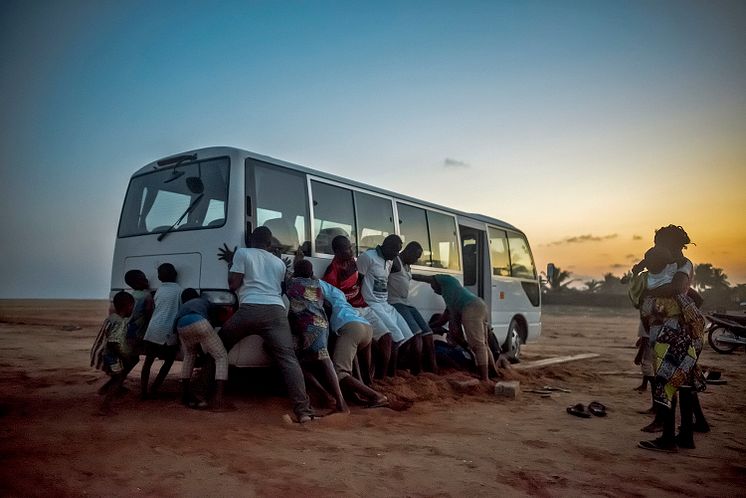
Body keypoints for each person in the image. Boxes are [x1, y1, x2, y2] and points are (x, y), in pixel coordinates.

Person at [217, 226, 315, 423]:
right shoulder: (278, 262)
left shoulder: (242, 253)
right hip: (276, 312)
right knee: (288, 359)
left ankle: (202, 396)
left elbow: (233, 284)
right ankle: (304, 412)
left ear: (250, 240)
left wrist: (231, 263)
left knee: (217, 347)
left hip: (249, 309)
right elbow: (279, 287)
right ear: (270, 244)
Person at [638, 225, 710, 453]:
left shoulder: (682, 266)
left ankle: (668, 438)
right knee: (684, 384)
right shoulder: (671, 266)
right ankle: (686, 435)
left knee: (666, 382)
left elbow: (677, 288)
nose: (656, 247)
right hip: (677, 331)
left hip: (676, 332)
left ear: (671, 245)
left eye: (659, 243)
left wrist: (648, 291)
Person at [322, 235, 398, 380]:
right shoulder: (332, 271)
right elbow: (331, 299)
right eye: (347, 249)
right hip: (350, 311)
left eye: (351, 247)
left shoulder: (352, 262)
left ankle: (382, 379)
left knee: (386, 337)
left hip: (364, 306)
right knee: (365, 342)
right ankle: (366, 380)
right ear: (337, 252)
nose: (351, 252)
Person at [286, 259, 348, 413]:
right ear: (312, 273)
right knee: (320, 361)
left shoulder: (293, 285)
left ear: (295, 271)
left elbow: (284, 279)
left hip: (308, 331)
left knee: (300, 362)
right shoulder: (317, 285)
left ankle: (334, 399)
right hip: (321, 327)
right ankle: (335, 399)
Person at [318, 278, 388, 407]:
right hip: (365, 326)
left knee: (339, 373)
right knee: (352, 361)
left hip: (350, 327)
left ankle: (376, 396)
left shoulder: (316, 286)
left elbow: (326, 307)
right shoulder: (336, 291)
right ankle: (360, 393)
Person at [355, 234, 415, 378]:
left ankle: (390, 372)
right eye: (395, 250)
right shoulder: (368, 257)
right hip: (371, 304)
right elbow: (357, 281)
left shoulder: (389, 261)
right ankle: (386, 376)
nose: (397, 254)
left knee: (407, 336)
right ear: (386, 246)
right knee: (392, 337)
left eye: (399, 251)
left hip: (385, 304)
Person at [424, 274, 497, 381]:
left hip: (471, 308)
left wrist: (411, 275)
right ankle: (493, 372)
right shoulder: (456, 295)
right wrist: (426, 327)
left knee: (477, 345)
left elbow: (453, 325)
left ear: (440, 285)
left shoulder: (448, 292)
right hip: (480, 305)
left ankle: (485, 378)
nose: (435, 291)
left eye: (434, 288)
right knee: (484, 344)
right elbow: (443, 320)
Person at [176, 288, 233, 411]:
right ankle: (218, 399)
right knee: (221, 356)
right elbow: (210, 321)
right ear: (197, 296)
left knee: (189, 355)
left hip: (181, 325)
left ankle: (184, 396)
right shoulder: (203, 301)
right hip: (199, 322)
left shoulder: (183, 307)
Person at [388, 241, 438, 374]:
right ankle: (417, 370)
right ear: (408, 252)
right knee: (416, 335)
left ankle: (433, 369)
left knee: (428, 333)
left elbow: (410, 277)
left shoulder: (408, 266)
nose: (417, 260)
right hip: (395, 302)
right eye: (416, 257)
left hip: (406, 303)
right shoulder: (395, 262)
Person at [90, 291, 137, 414]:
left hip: (101, 352)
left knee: (117, 375)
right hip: (110, 356)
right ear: (127, 306)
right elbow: (113, 342)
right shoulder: (120, 322)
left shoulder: (111, 318)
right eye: (133, 306)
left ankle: (105, 390)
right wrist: (125, 355)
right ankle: (105, 407)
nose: (133, 310)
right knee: (118, 378)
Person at [141, 263, 182, 400]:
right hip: (167, 330)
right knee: (169, 361)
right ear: (175, 275)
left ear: (159, 277)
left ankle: (143, 392)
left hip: (153, 329)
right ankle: (155, 387)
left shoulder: (158, 290)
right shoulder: (179, 290)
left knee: (148, 362)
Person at [124, 269, 154, 357]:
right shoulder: (146, 296)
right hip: (138, 331)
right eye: (143, 278)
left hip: (128, 329)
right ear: (136, 283)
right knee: (133, 356)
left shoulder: (132, 295)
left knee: (131, 355)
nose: (146, 280)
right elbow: (149, 313)